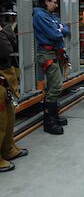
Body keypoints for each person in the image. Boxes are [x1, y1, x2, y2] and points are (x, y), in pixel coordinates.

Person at [33, 0, 70, 135]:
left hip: (56, 53)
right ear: (46, 2)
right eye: (54, 2)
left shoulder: (50, 15)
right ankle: (49, 122)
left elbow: (65, 29)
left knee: (54, 85)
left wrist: (59, 29)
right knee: (56, 86)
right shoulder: (39, 16)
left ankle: (53, 115)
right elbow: (55, 34)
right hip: (47, 54)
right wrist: (59, 30)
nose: (56, 4)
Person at [0, 21, 28, 172]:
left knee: (9, 117)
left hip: (4, 74)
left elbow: (9, 42)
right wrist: (5, 33)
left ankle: (8, 149)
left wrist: (4, 33)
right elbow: (6, 48)